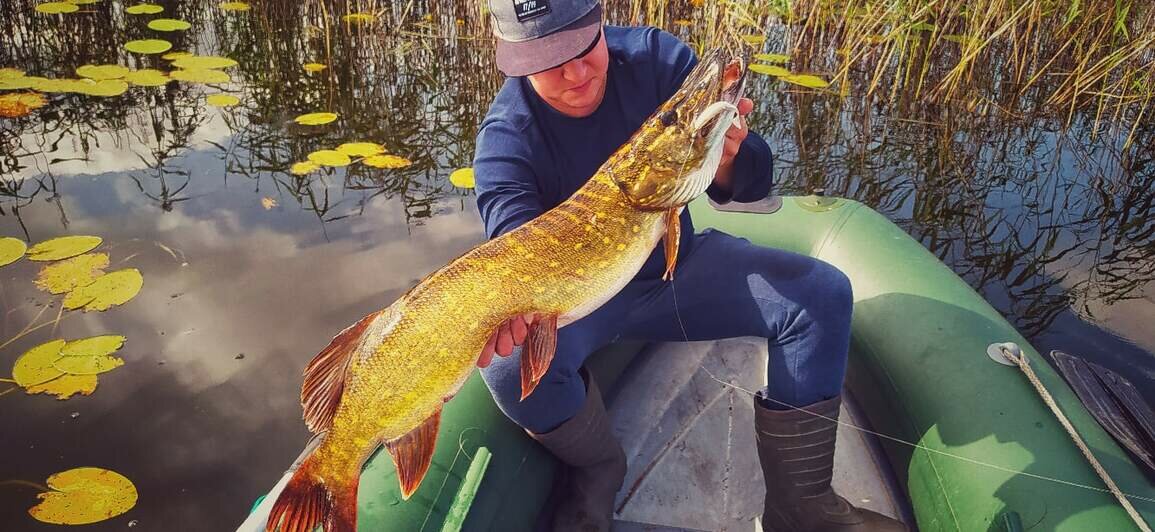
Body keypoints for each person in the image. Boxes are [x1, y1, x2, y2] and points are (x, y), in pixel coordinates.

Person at [471, 1, 907, 531]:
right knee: (509, 367)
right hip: (581, 305)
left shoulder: (657, 60)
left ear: (601, 21)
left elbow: (753, 181)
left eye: (585, 45)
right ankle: (599, 470)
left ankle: (804, 504)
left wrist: (729, 159)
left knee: (821, 298)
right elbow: (511, 252)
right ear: (514, 59)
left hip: (675, 270)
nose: (577, 71)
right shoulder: (505, 141)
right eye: (550, 58)